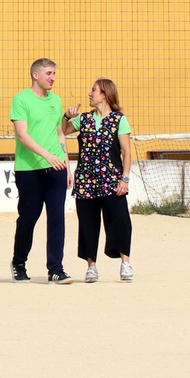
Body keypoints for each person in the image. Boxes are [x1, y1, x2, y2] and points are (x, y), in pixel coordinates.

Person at [10, 58, 72, 284]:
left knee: (57, 219)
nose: (53, 77)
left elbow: (59, 134)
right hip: (30, 169)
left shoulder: (56, 100)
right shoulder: (21, 99)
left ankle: (56, 268)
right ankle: (19, 263)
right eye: (48, 73)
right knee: (28, 218)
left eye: (54, 73)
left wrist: (67, 165)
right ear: (35, 75)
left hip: (56, 168)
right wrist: (46, 155)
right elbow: (22, 135)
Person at [67, 79, 135, 283]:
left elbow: (126, 152)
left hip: (112, 180)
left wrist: (125, 179)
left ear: (104, 94)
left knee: (120, 220)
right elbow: (62, 131)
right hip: (86, 180)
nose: (89, 93)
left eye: (93, 90)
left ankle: (125, 263)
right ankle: (91, 267)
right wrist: (66, 117)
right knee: (87, 223)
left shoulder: (119, 120)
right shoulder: (84, 119)